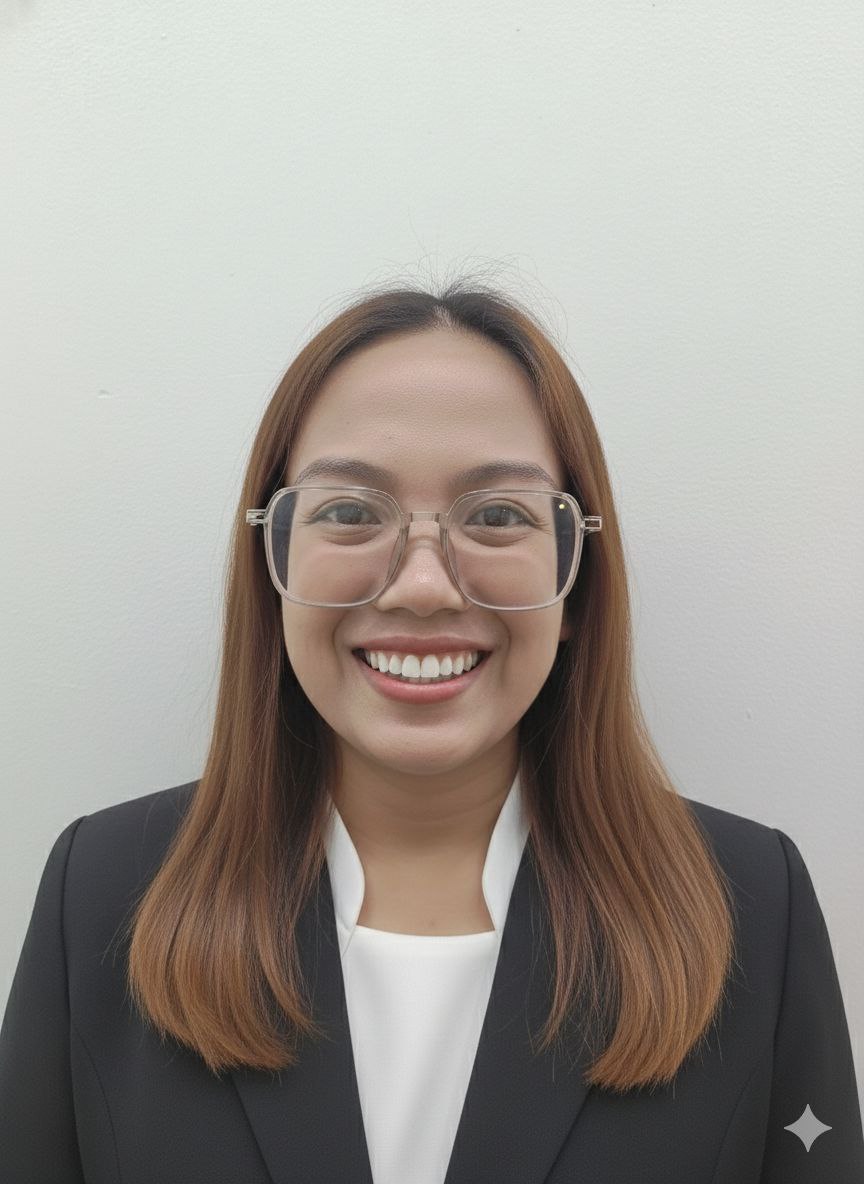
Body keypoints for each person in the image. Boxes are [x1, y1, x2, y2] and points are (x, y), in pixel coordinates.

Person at [0, 280, 861, 1183]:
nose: (422, 587)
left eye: (497, 516)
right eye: (349, 513)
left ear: (576, 582)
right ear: (273, 566)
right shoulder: (101, 894)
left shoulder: (753, 907)